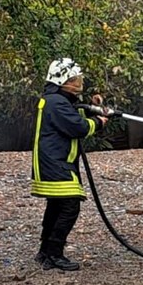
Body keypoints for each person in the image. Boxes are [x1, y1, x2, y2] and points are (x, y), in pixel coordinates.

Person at [31, 58, 108, 272]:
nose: (78, 84)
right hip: (55, 164)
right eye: (74, 80)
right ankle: (54, 253)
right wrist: (98, 123)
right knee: (69, 206)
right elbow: (78, 127)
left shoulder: (55, 100)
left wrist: (94, 109)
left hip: (54, 162)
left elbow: (73, 113)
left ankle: (45, 253)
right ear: (62, 80)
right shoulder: (56, 102)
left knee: (56, 206)